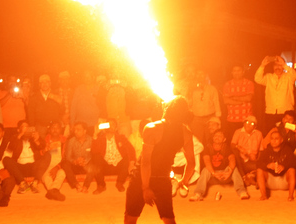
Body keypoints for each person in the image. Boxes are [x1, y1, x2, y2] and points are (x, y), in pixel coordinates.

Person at [124, 96, 195, 224]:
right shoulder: (186, 133)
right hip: (163, 180)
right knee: (169, 220)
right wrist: (184, 180)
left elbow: (146, 162)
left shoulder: (152, 128)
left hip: (141, 178)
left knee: (130, 219)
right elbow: (191, 163)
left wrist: (145, 188)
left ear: (167, 109)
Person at [189, 129, 249, 201]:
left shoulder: (226, 148)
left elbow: (232, 159)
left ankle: (242, 192)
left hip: (225, 175)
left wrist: (229, 172)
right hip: (213, 176)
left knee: (234, 169)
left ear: (224, 139)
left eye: (220, 136)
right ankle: (197, 194)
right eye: (216, 136)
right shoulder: (208, 148)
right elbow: (206, 161)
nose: (217, 137)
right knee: (205, 170)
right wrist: (214, 173)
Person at [3, 120, 50, 194]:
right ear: (18, 130)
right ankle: (23, 183)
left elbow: (42, 147)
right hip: (20, 167)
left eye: (27, 127)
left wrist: (36, 140)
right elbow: (10, 147)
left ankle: (35, 182)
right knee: (6, 159)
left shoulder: (33, 138)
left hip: (33, 167)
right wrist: (21, 134)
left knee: (48, 155)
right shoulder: (15, 138)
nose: (26, 129)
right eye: (23, 127)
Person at [254, 56, 296, 134]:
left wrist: (284, 64)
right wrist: (262, 66)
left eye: (279, 65)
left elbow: (294, 74)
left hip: (286, 112)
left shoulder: (289, 77)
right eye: (275, 65)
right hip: (270, 112)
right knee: (270, 134)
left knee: (287, 134)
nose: (277, 67)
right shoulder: (268, 77)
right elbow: (257, 79)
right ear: (273, 67)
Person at [91, 119, 136, 194]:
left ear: (116, 128)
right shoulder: (101, 139)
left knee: (126, 157)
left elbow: (131, 150)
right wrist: (95, 134)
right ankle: (101, 185)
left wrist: (131, 163)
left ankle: (120, 183)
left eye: (113, 124)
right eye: (109, 124)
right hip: (106, 167)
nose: (111, 126)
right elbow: (94, 151)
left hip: (119, 167)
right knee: (95, 157)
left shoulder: (121, 138)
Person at [257, 131, 296, 201]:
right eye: (272, 139)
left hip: (284, 180)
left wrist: (284, 166)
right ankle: (263, 196)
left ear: (281, 140)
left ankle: (290, 196)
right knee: (259, 170)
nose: (274, 141)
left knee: (292, 170)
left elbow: (294, 163)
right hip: (270, 180)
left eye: (276, 139)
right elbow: (258, 164)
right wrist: (267, 165)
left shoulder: (287, 150)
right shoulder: (266, 151)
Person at [222, 64, 254, 143]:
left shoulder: (249, 83)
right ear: (232, 72)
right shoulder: (227, 84)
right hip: (232, 119)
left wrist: (233, 97)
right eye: (234, 71)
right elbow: (226, 101)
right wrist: (242, 100)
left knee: (246, 143)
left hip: (246, 119)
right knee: (233, 142)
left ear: (243, 72)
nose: (236, 73)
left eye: (238, 70)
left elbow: (248, 98)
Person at [61, 121, 95, 193]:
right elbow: (68, 157)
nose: (76, 132)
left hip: (87, 165)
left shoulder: (91, 140)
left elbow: (94, 154)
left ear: (85, 131)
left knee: (94, 164)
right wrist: (75, 161)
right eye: (75, 130)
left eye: (78, 130)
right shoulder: (71, 141)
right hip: (75, 165)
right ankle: (76, 185)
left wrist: (85, 161)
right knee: (64, 163)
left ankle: (86, 186)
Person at [190, 70, 221, 144]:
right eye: (198, 74)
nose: (200, 76)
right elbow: (189, 104)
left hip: (210, 118)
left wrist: (218, 118)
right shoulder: (191, 89)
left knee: (210, 140)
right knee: (197, 141)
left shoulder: (212, 88)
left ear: (205, 75)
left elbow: (216, 103)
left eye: (202, 74)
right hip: (196, 119)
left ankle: (208, 155)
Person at [231, 115, 263, 186]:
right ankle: (245, 177)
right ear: (244, 123)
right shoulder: (238, 132)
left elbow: (261, 149)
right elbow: (232, 144)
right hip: (241, 160)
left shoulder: (258, 134)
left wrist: (258, 160)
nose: (249, 124)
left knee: (261, 166)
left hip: (253, 160)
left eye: (252, 123)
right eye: (247, 122)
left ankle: (250, 177)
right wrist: (239, 148)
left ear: (255, 127)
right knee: (235, 154)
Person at [70, 70, 100, 136]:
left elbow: (102, 106)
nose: (87, 79)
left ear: (93, 77)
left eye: (89, 77)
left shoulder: (98, 89)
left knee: (94, 142)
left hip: (94, 123)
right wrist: (72, 123)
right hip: (80, 123)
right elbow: (73, 107)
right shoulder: (78, 89)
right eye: (85, 77)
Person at [42, 121, 67, 201]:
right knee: (45, 176)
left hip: (59, 166)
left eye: (57, 128)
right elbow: (39, 157)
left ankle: (51, 191)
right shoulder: (43, 140)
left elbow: (66, 158)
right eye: (53, 128)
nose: (55, 130)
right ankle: (54, 191)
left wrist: (57, 167)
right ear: (49, 130)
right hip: (46, 166)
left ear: (61, 130)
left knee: (62, 173)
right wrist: (44, 150)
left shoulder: (65, 141)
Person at [0, 75, 26, 141]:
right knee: (7, 148)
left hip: (20, 127)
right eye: (11, 81)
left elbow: (28, 106)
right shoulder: (0, 93)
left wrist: (23, 98)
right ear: (7, 82)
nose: (13, 83)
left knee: (19, 147)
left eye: (14, 81)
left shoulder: (22, 92)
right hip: (5, 127)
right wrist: (9, 94)